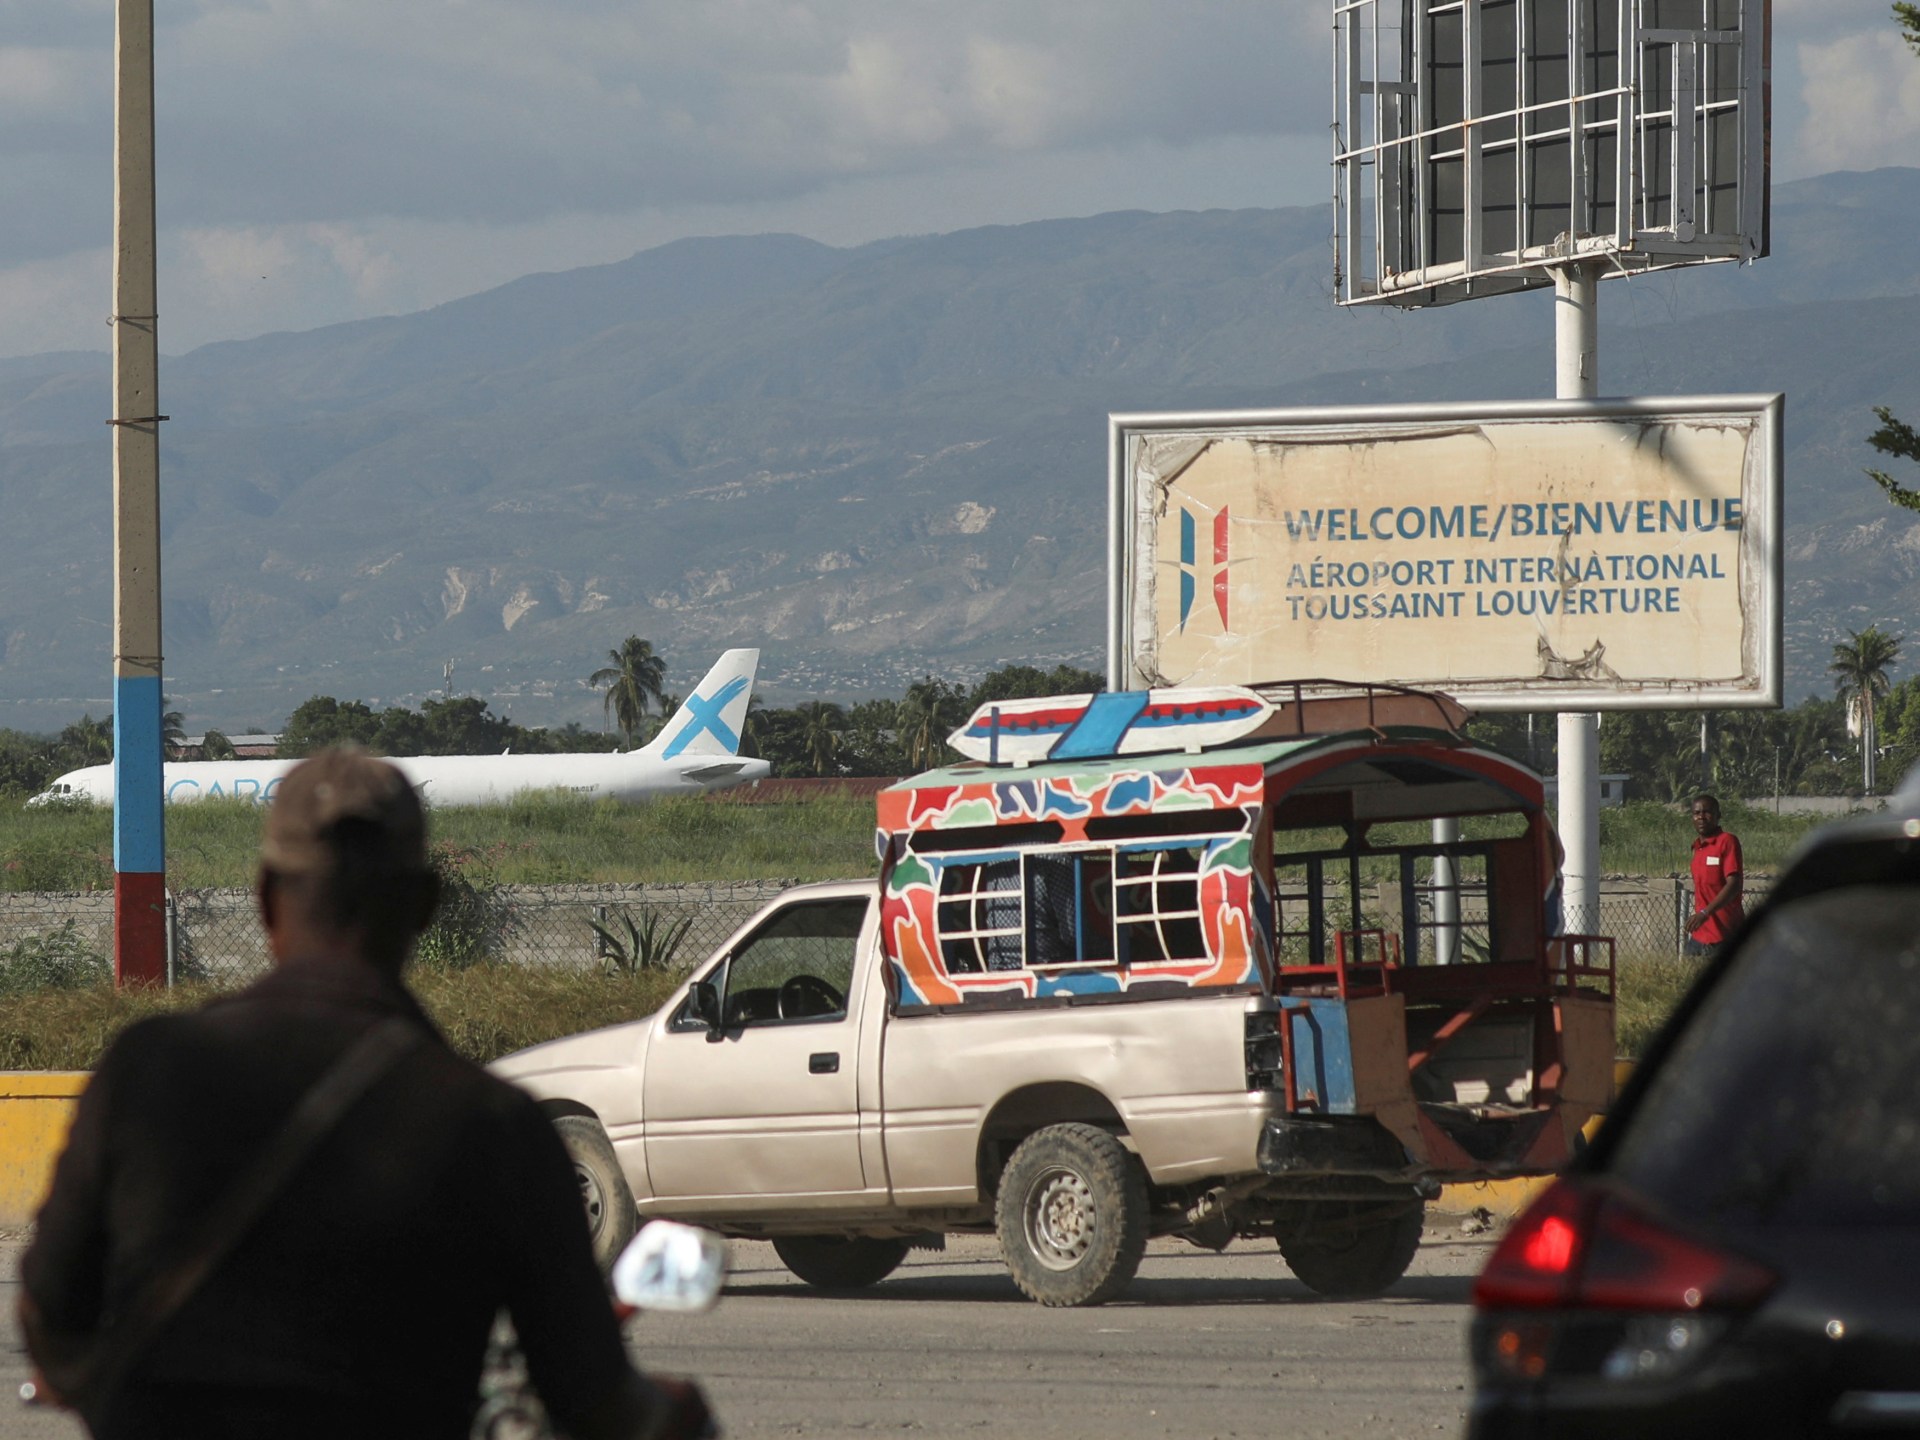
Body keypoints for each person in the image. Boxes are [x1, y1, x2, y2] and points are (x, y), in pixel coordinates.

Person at [18, 749, 712, 1440]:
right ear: (426, 907)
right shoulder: (493, 1126)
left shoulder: (148, 1073)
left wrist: (115, 1395)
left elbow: (49, 1312)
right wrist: (674, 1412)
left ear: (263, 897)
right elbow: (587, 1394)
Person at [1685, 793, 1744, 957]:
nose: (1701, 817)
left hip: (1724, 936)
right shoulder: (1698, 848)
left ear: (1718, 815)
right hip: (1699, 937)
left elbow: (1733, 884)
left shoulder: (1727, 841)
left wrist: (1705, 913)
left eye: (1707, 812)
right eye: (1697, 813)